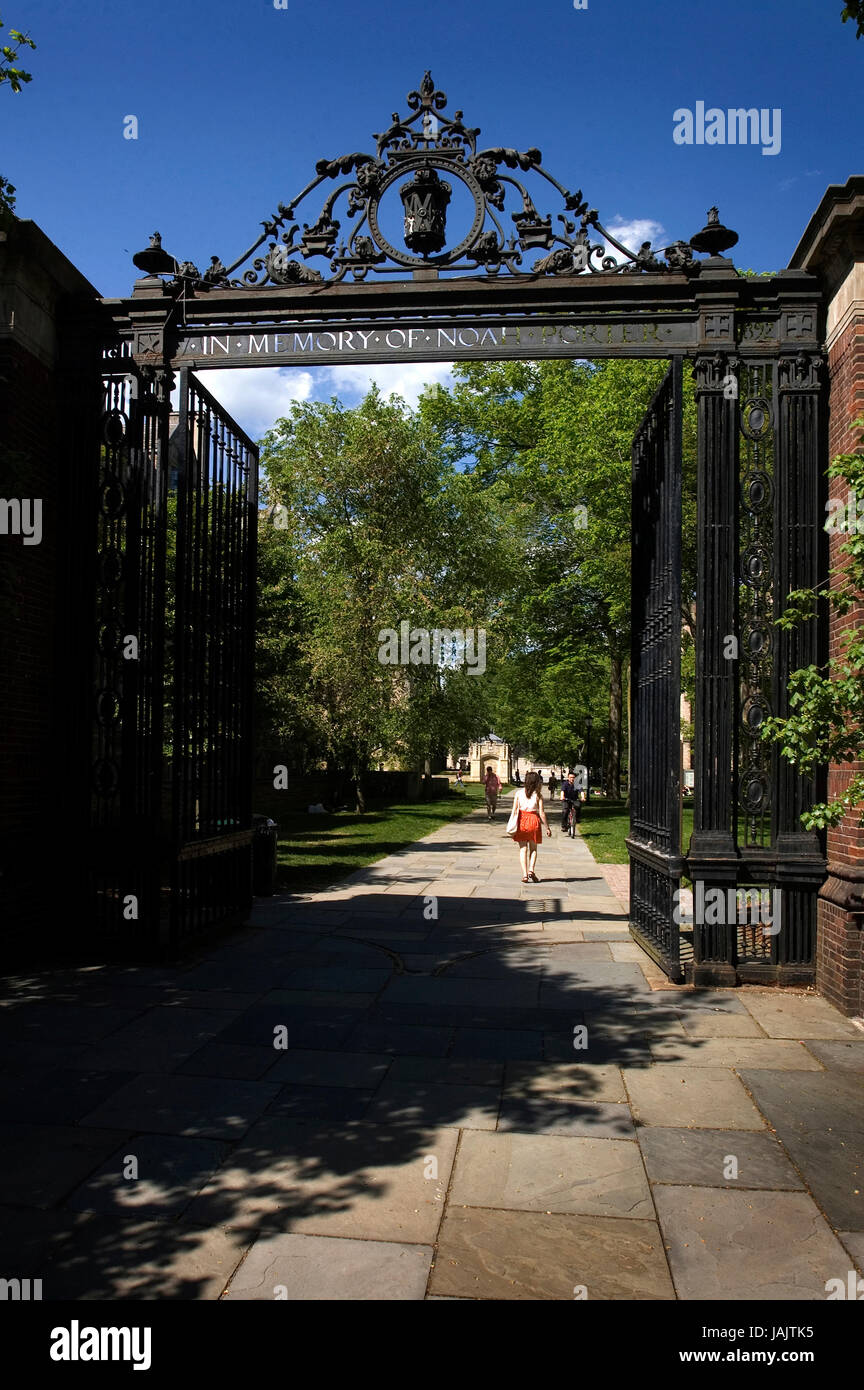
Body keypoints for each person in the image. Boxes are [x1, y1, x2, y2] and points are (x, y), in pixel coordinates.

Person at [509, 769, 551, 882]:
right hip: (534, 821)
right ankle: (531, 870)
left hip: (522, 820)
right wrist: (547, 827)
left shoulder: (518, 793)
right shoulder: (538, 795)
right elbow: (541, 813)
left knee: (523, 849)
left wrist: (512, 824)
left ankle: (524, 874)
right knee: (533, 849)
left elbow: (514, 810)